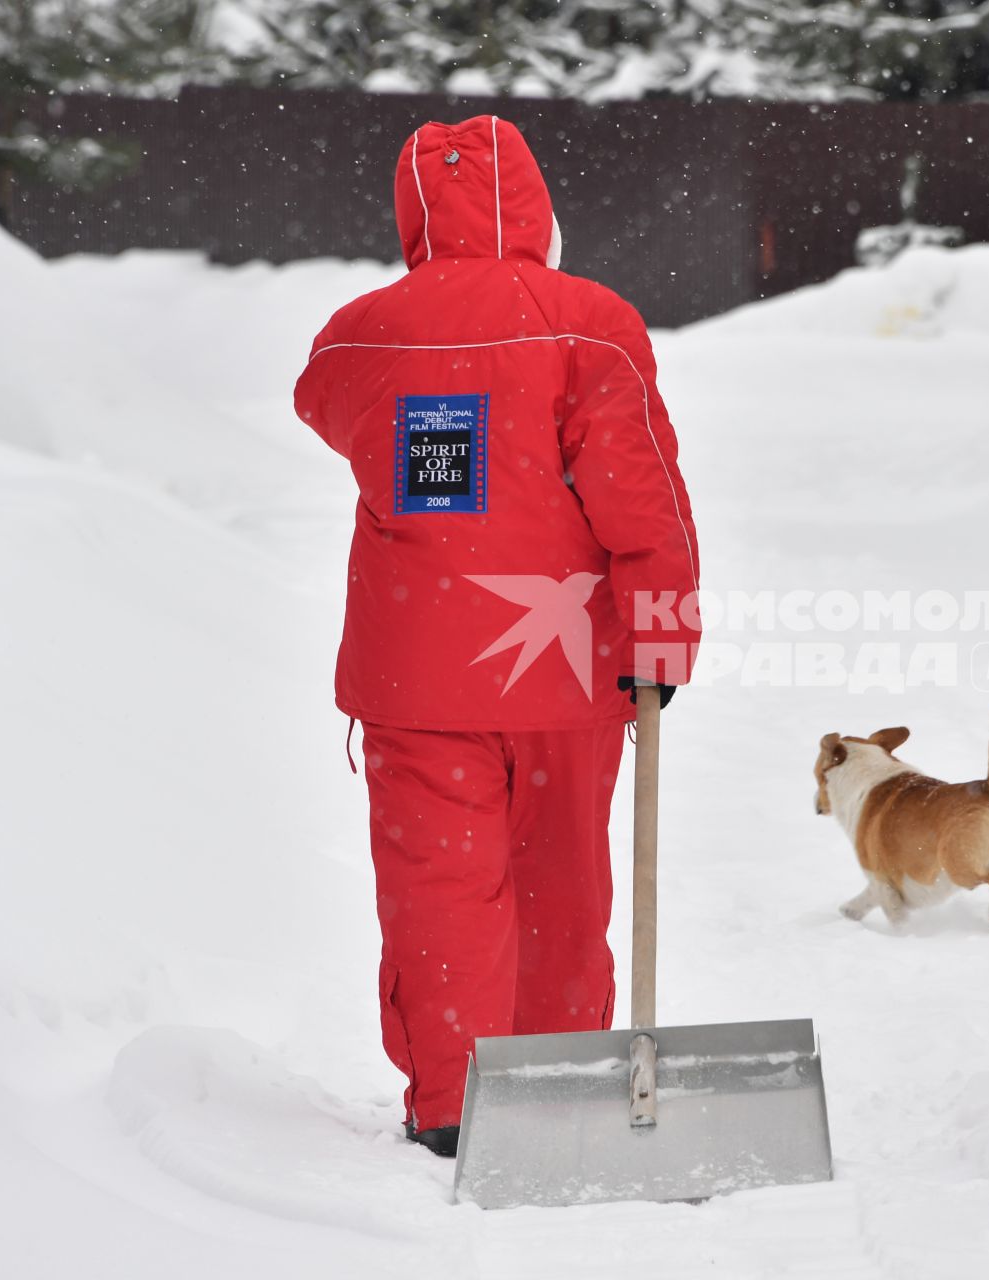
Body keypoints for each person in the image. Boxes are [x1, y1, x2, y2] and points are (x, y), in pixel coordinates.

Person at [293, 115, 700, 1157]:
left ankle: (451, 1101)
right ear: (535, 209)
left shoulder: (358, 335)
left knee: (439, 884)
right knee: (561, 878)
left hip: (415, 667)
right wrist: (660, 639)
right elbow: (641, 504)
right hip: (561, 659)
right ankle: (562, 1081)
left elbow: (322, 404)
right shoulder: (591, 325)